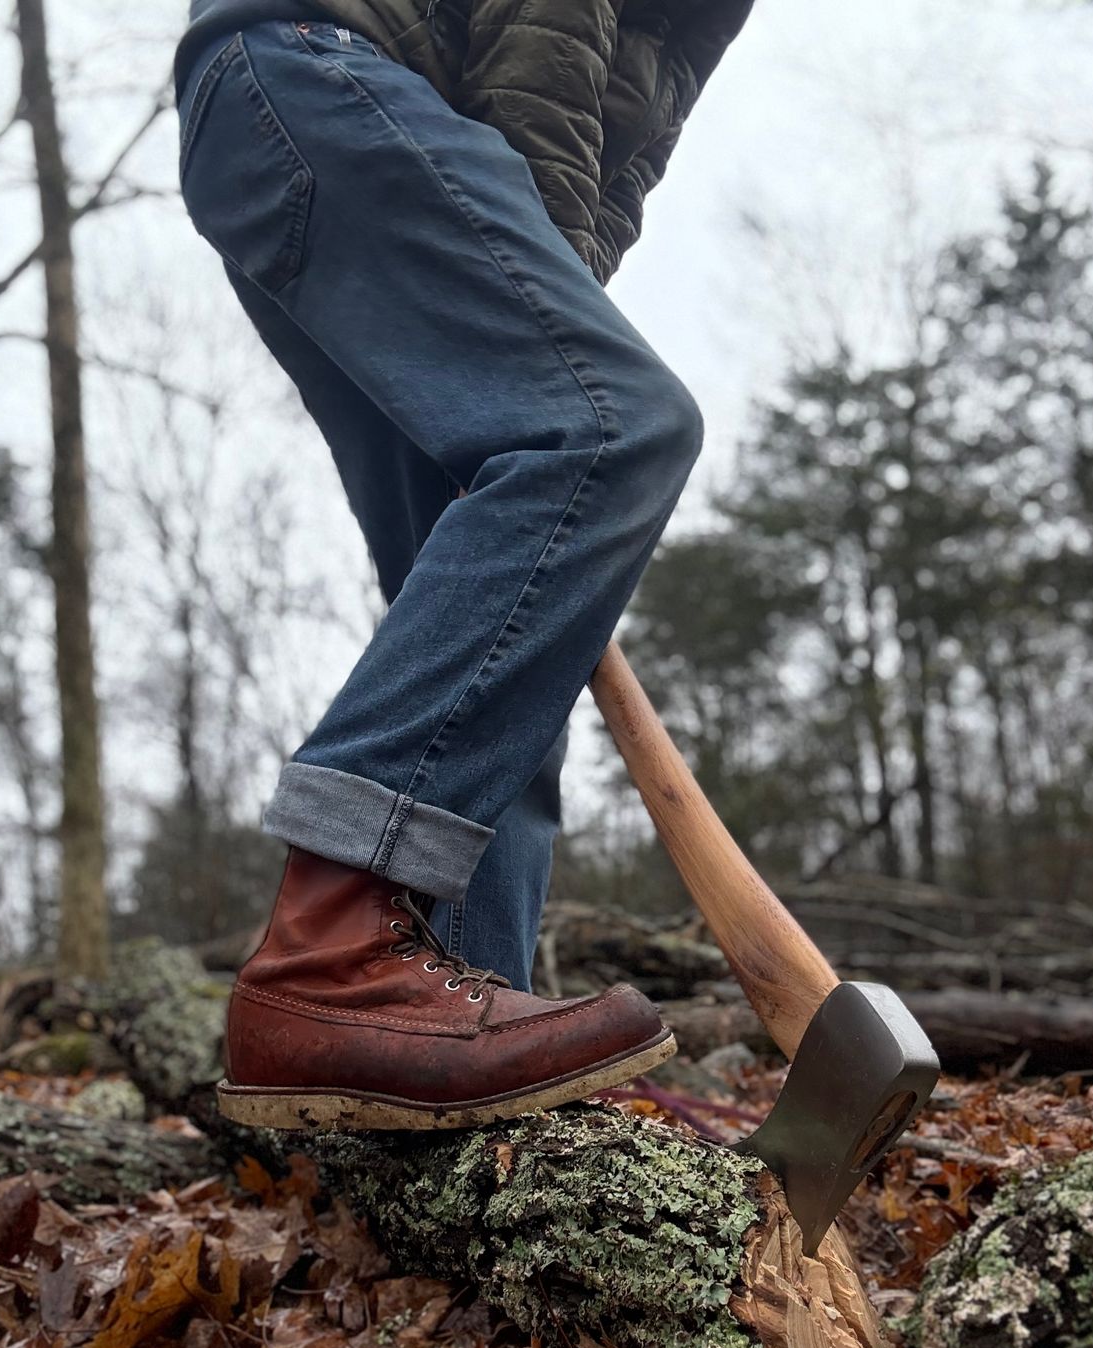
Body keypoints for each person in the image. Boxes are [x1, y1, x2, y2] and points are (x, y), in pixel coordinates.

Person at [173, 0, 757, 1131]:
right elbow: (543, 46)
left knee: (505, 655)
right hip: (322, 77)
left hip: (302, 120)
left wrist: (536, 322)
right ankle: (330, 944)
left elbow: (616, 161)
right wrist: (543, 347)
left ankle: (443, 1036)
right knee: (615, 430)